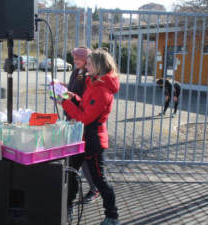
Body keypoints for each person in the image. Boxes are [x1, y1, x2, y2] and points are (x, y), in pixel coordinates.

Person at [61, 48, 120, 225]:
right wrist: (72, 97)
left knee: (99, 180)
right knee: (71, 171)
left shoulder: (102, 90)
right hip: (82, 137)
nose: (86, 66)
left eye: (89, 64)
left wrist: (65, 102)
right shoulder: (94, 83)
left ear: (99, 66)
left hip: (93, 140)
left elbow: (86, 118)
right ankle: (68, 206)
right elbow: (84, 105)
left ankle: (112, 216)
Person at [67, 46, 100, 206]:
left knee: (85, 158)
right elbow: (71, 92)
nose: (75, 61)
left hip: (81, 120)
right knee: (76, 157)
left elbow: (84, 102)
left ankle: (95, 189)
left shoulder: (88, 77)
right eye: (74, 58)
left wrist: (69, 99)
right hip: (72, 116)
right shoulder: (76, 73)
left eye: (78, 59)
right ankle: (72, 190)